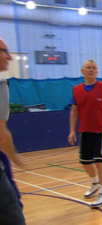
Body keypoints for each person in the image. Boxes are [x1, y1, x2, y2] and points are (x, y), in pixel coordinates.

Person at [68, 59, 102, 208]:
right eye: (88, 68)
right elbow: (74, 111)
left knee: (99, 161)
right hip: (85, 130)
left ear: (97, 72)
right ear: (82, 71)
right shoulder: (76, 89)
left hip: (101, 130)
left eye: (94, 68)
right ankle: (95, 183)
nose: (91, 70)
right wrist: (72, 130)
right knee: (85, 162)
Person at [0, 38, 27, 225]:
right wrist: (15, 157)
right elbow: (1, 135)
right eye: (5, 51)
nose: (10, 57)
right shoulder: (1, 84)